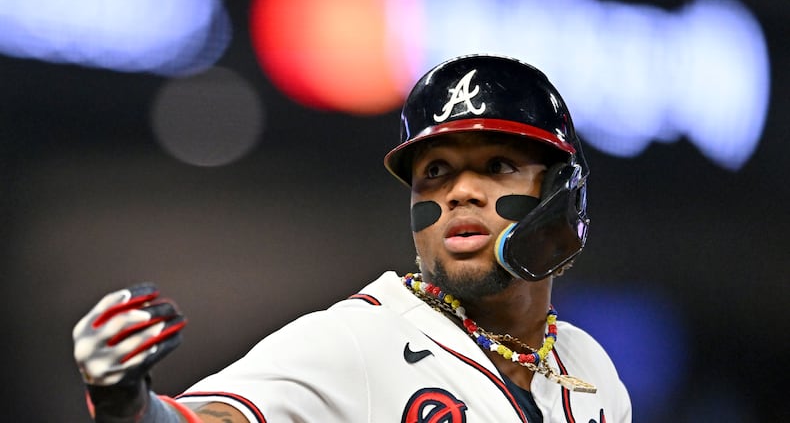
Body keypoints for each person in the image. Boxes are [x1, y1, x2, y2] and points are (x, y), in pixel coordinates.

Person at [72, 54, 632, 422]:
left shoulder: (591, 368)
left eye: (497, 166)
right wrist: (124, 402)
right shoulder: (357, 340)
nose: (460, 192)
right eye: (435, 172)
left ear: (560, 194)